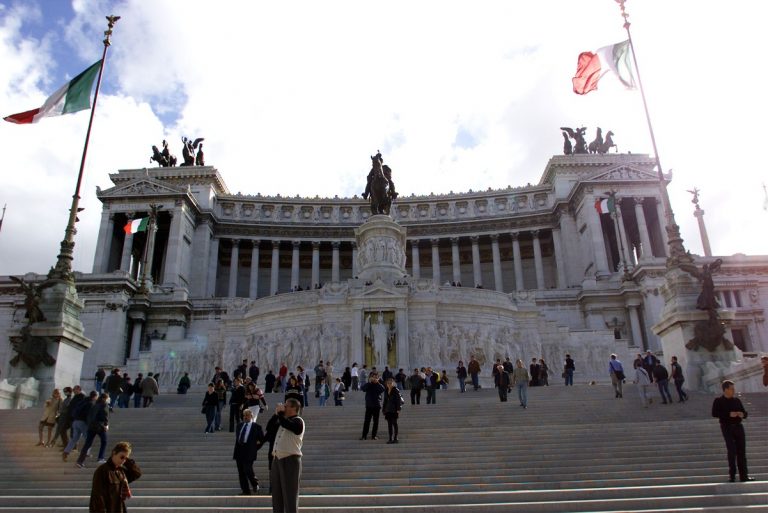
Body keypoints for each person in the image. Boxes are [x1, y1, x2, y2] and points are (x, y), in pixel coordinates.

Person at [712, 380, 754, 482]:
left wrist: (742, 414)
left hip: (738, 426)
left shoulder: (737, 400)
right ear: (725, 389)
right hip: (727, 427)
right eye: (731, 389)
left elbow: (745, 413)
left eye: (734, 388)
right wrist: (728, 414)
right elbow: (714, 413)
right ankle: (732, 475)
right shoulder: (718, 401)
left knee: (741, 452)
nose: (733, 390)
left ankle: (744, 476)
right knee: (731, 451)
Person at [271, 398, 305, 513]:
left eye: (286, 406)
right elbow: (269, 428)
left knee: (290, 495)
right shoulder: (283, 421)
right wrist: (276, 415)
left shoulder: (298, 421)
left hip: (290, 459)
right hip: (277, 459)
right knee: (277, 494)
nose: (284, 408)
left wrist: (281, 414)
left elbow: (291, 427)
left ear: (294, 408)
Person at [88, 441, 141, 513]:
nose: (123, 460)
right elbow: (97, 495)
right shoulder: (102, 470)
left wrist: (127, 461)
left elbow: (137, 473)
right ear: (114, 453)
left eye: (125, 458)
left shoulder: (121, 471)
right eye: (122, 457)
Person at [234, 408, 265, 495]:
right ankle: (245, 491)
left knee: (247, 469)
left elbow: (262, 440)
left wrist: (255, 448)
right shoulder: (239, 425)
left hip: (249, 451)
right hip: (239, 451)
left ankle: (255, 483)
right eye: (244, 415)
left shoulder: (257, 427)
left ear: (251, 416)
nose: (245, 417)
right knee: (241, 472)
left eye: (247, 415)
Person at [76, 393, 110, 468]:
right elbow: (104, 416)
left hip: (91, 427)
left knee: (87, 444)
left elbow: (90, 416)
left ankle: (80, 461)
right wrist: (105, 425)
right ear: (104, 398)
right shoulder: (103, 405)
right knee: (104, 441)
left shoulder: (95, 405)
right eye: (108, 398)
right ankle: (100, 457)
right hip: (99, 427)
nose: (108, 399)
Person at [63, 389, 94, 462]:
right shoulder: (90, 403)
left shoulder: (82, 402)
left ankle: (66, 452)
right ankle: (87, 453)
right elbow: (88, 415)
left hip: (75, 421)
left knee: (74, 439)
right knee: (88, 438)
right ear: (94, 397)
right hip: (82, 422)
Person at [360, 373, 385, 440]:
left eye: (376, 377)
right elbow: (363, 389)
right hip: (369, 405)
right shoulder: (368, 384)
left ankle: (374, 436)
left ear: (378, 378)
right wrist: (369, 382)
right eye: (373, 377)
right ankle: (364, 436)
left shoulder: (379, 385)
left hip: (377, 405)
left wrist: (377, 382)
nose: (374, 378)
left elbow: (383, 389)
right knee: (367, 421)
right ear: (370, 378)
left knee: (376, 422)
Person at [382, 377, 404, 444]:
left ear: (393, 383)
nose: (389, 384)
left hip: (394, 409)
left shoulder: (395, 390)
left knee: (394, 423)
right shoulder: (386, 391)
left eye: (390, 383)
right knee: (389, 425)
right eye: (388, 383)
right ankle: (390, 438)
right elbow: (385, 401)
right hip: (388, 410)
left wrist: (398, 409)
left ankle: (395, 438)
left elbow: (398, 400)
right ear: (386, 384)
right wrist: (383, 409)